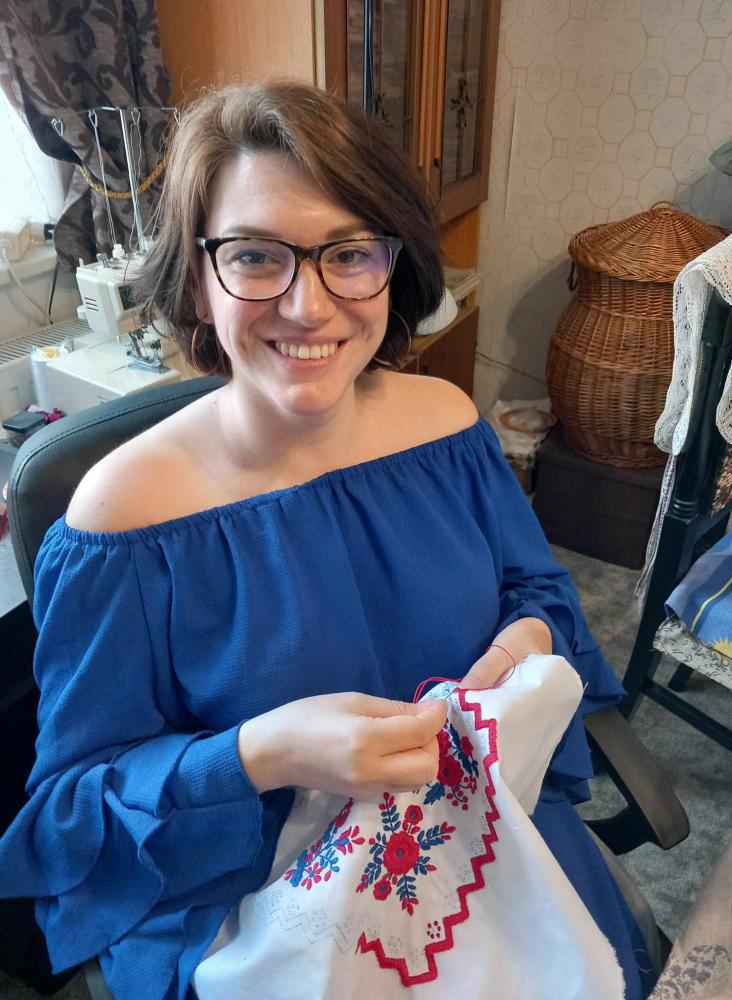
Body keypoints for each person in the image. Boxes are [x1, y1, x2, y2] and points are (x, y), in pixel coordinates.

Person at [0, 81, 654, 999]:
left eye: (348, 254)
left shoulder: (446, 425)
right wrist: (264, 751)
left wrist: (521, 643)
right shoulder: (125, 518)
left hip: (480, 837)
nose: (308, 307)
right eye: (255, 256)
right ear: (197, 281)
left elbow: (536, 590)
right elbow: (70, 816)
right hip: (263, 903)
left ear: (392, 267)